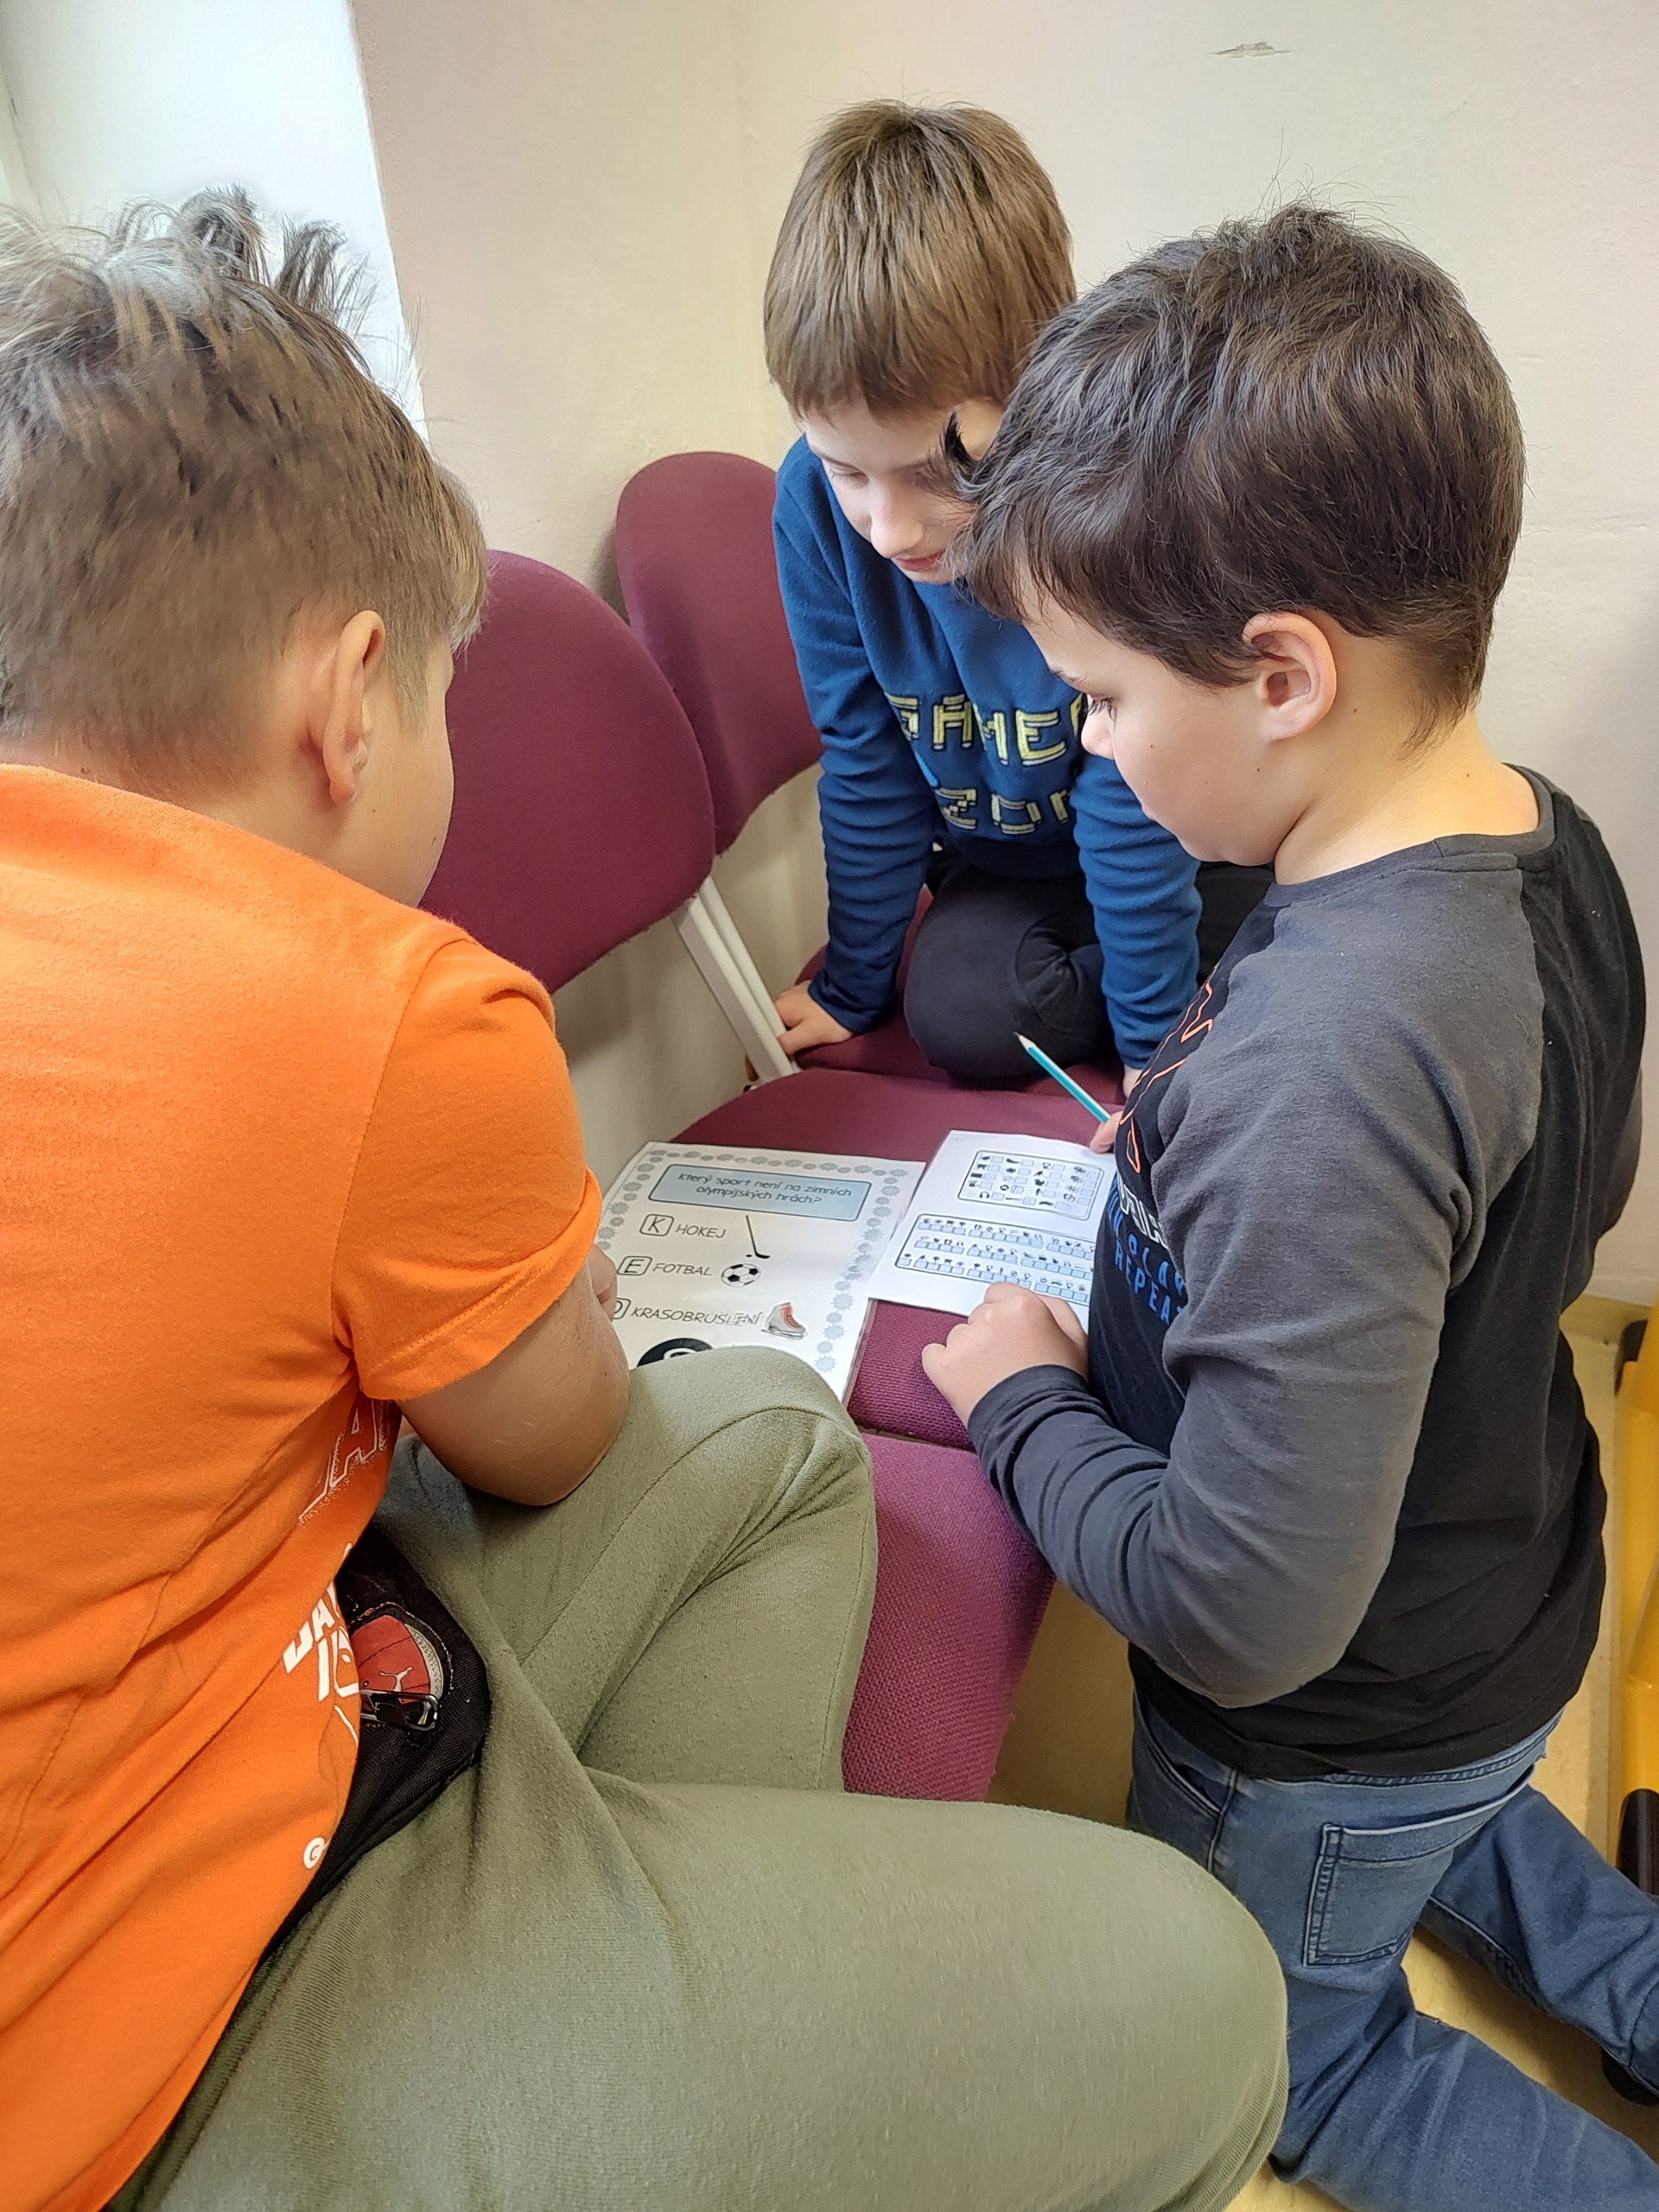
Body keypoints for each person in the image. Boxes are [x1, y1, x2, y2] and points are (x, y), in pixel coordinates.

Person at [0, 194, 1288, 2212]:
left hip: (281, 1682)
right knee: (1212, 1994)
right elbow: (559, 1430)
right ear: (353, 699)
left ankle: (665, 2013)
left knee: (773, 1427)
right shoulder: (381, 1007)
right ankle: (628, 2036)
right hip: (125, 2067)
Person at [925, 205, 1652, 2210]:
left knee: (1298, 2055)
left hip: (1325, 1725)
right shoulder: (1546, 843)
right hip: (1497, 1600)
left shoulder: (1334, 1059)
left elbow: (1244, 1611)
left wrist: (1020, 1399)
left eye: (1098, 697)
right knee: (1456, 1816)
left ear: (1280, 674)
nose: (1088, 744)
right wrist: (1215, 1175)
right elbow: (1556, 1198)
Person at [763, 100, 1269, 1090]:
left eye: (938, 471)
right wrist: (852, 988)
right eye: (846, 469)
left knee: (1296, 937)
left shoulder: (1103, 492)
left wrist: (1152, 1053)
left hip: (1176, 831)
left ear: (1038, 390)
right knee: (958, 1008)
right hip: (1008, 871)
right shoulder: (811, 510)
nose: (889, 530)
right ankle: (1189, 991)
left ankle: (1181, 992)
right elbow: (865, 757)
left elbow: (1131, 805)